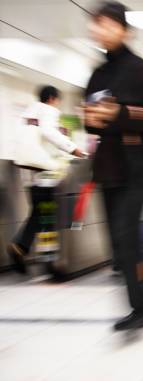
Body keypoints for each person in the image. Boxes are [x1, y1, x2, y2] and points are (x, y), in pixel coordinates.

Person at [84, 1, 143, 331]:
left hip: (136, 165)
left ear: (125, 30)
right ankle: (139, 305)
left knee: (127, 236)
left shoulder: (140, 69)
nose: (100, 29)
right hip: (108, 166)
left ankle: (141, 308)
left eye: (108, 24)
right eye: (97, 23)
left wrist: (118, 114)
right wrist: (91, 119)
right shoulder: (97, 73)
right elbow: (91, 120)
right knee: (118, 245)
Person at [7, 86, 86, 274]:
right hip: (44, 172)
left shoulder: (27, 113)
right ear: (52, 99)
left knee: (39, 212)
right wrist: (73, 148)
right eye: (57, 100)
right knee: (46, 214)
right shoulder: (48, 110)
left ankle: (24, 248)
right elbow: (50, 132)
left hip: (27, 171)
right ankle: (44, 256)